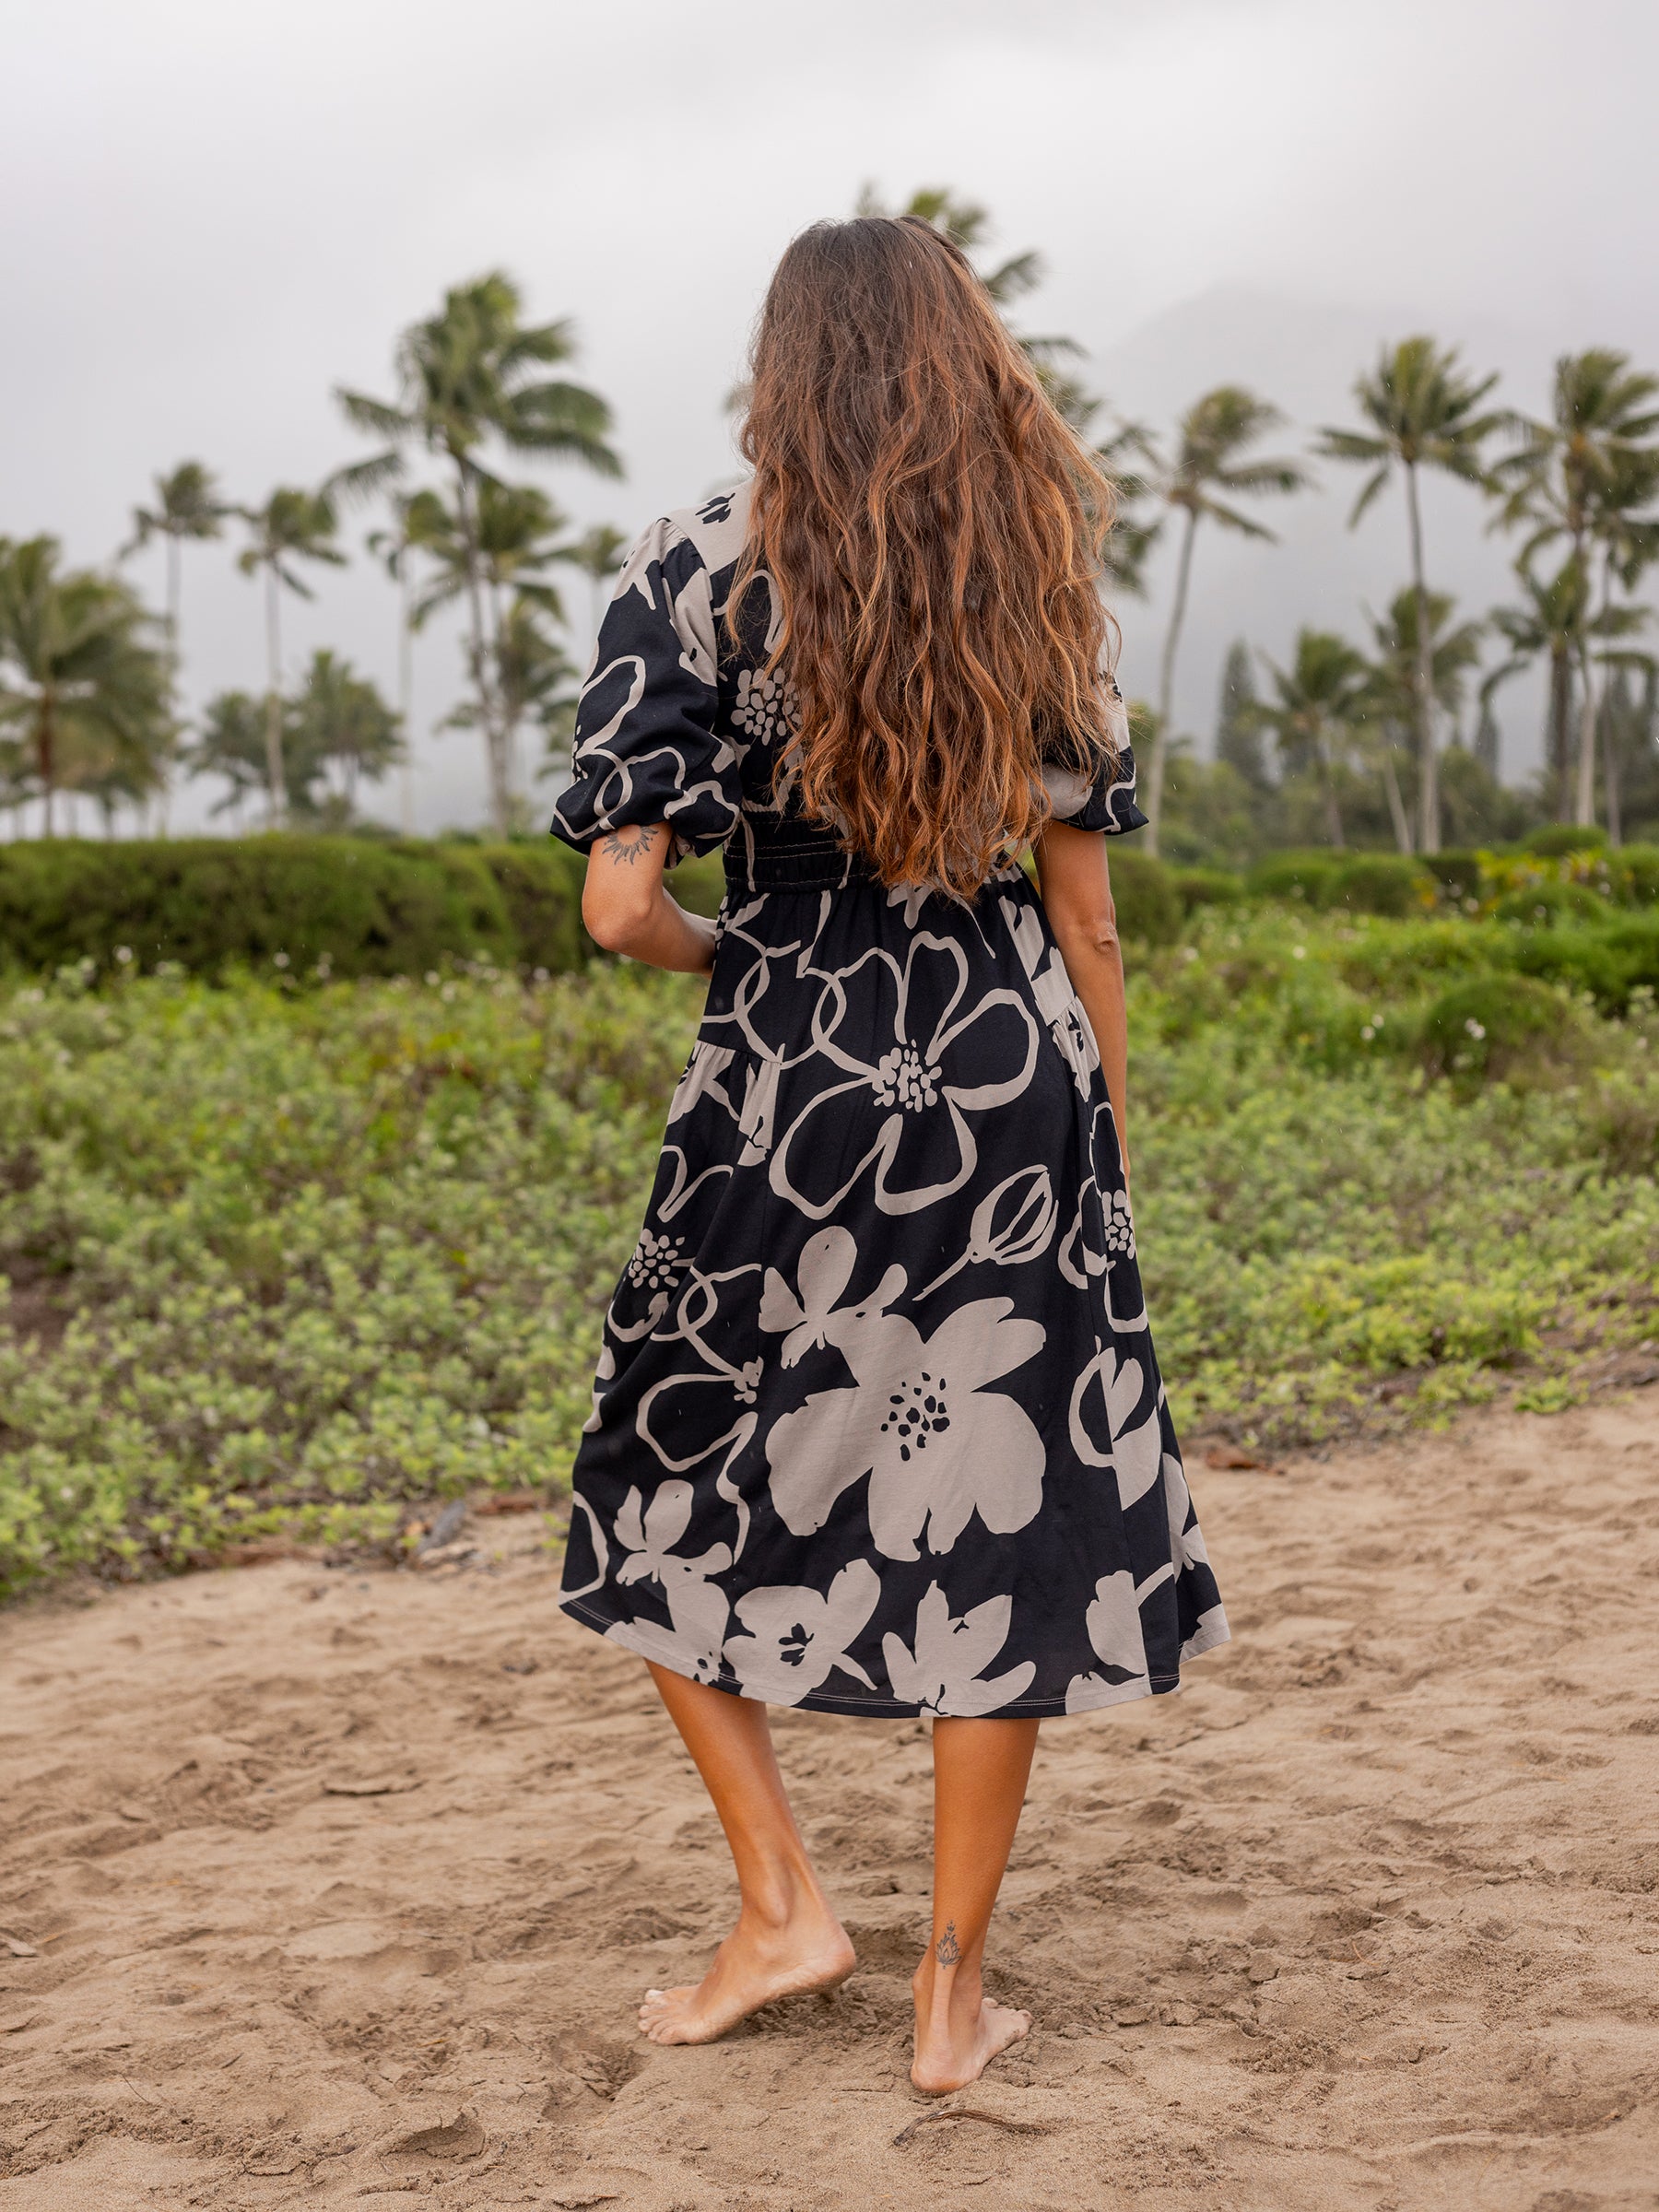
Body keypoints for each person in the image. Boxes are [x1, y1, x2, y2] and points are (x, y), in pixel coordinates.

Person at [550, 215, 1228, 2094]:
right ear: (963, 356)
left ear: (785, 367)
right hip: (1004, 1071)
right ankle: (949, 1994)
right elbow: (1086, 917)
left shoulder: (694, 566)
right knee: (1000, 1522)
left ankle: (785, 1903)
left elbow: (620, 909)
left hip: (790, 1069)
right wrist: (1096, 1108)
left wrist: (736, 955)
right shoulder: (1038, 577)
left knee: (659, 1478)